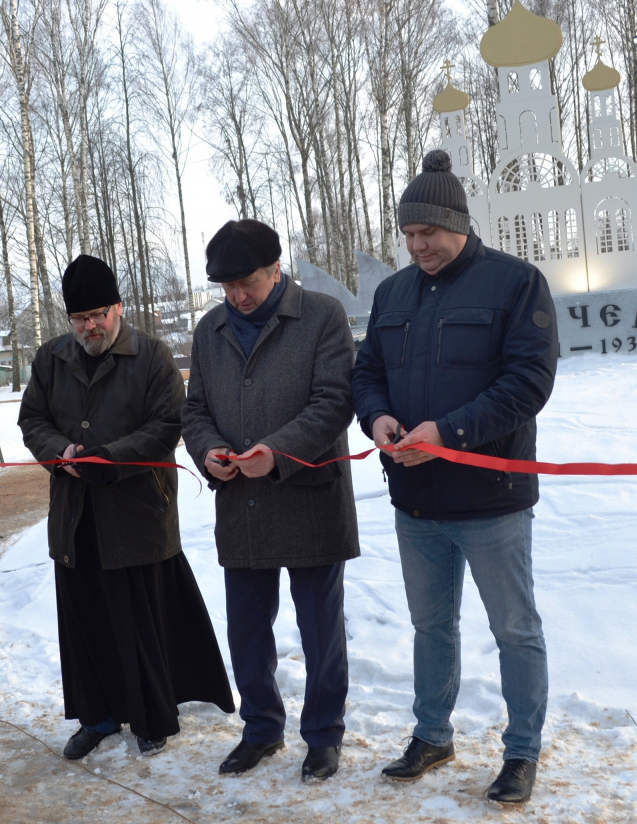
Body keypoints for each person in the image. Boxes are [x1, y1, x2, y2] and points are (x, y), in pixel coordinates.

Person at [351, 149, 558, 804]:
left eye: (428, 234)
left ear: (458, 224)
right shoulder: (392, 293)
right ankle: (432, 733)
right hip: (416, 499)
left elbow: (529, 381)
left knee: (514, 629)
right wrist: (378, 418)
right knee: (431, 625)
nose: (417, 246)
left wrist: (449, 433)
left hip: (491, 499)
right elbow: (367, 374)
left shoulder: (515, 284)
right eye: (408, 235)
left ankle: (522, 751)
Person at [18, 253, 235, 760]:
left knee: (138, 624)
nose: (90, 326)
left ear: (119, 307)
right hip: (75, 517)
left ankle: (149, 717)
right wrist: (62, 453)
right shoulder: (51, 359)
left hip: (137, 516)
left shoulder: (153, 356)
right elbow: (33, 421)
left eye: (98, 315)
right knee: (86, 623)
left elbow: (166, 427)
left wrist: (108, 459)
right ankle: (96, 718)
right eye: (79, 318)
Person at [182, 219, 360, 781]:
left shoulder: (323, 317)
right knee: (247, 630)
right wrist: (209, 451)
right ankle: (260, 727)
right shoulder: (209, 331)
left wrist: (277, 452)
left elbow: (334, 402)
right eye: (228, 287)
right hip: (242, 506)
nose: (238, 295)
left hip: (309, 499)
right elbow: (195, 411)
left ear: (276, 270)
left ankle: (324, 735)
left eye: (248, 282)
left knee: (319, 629)